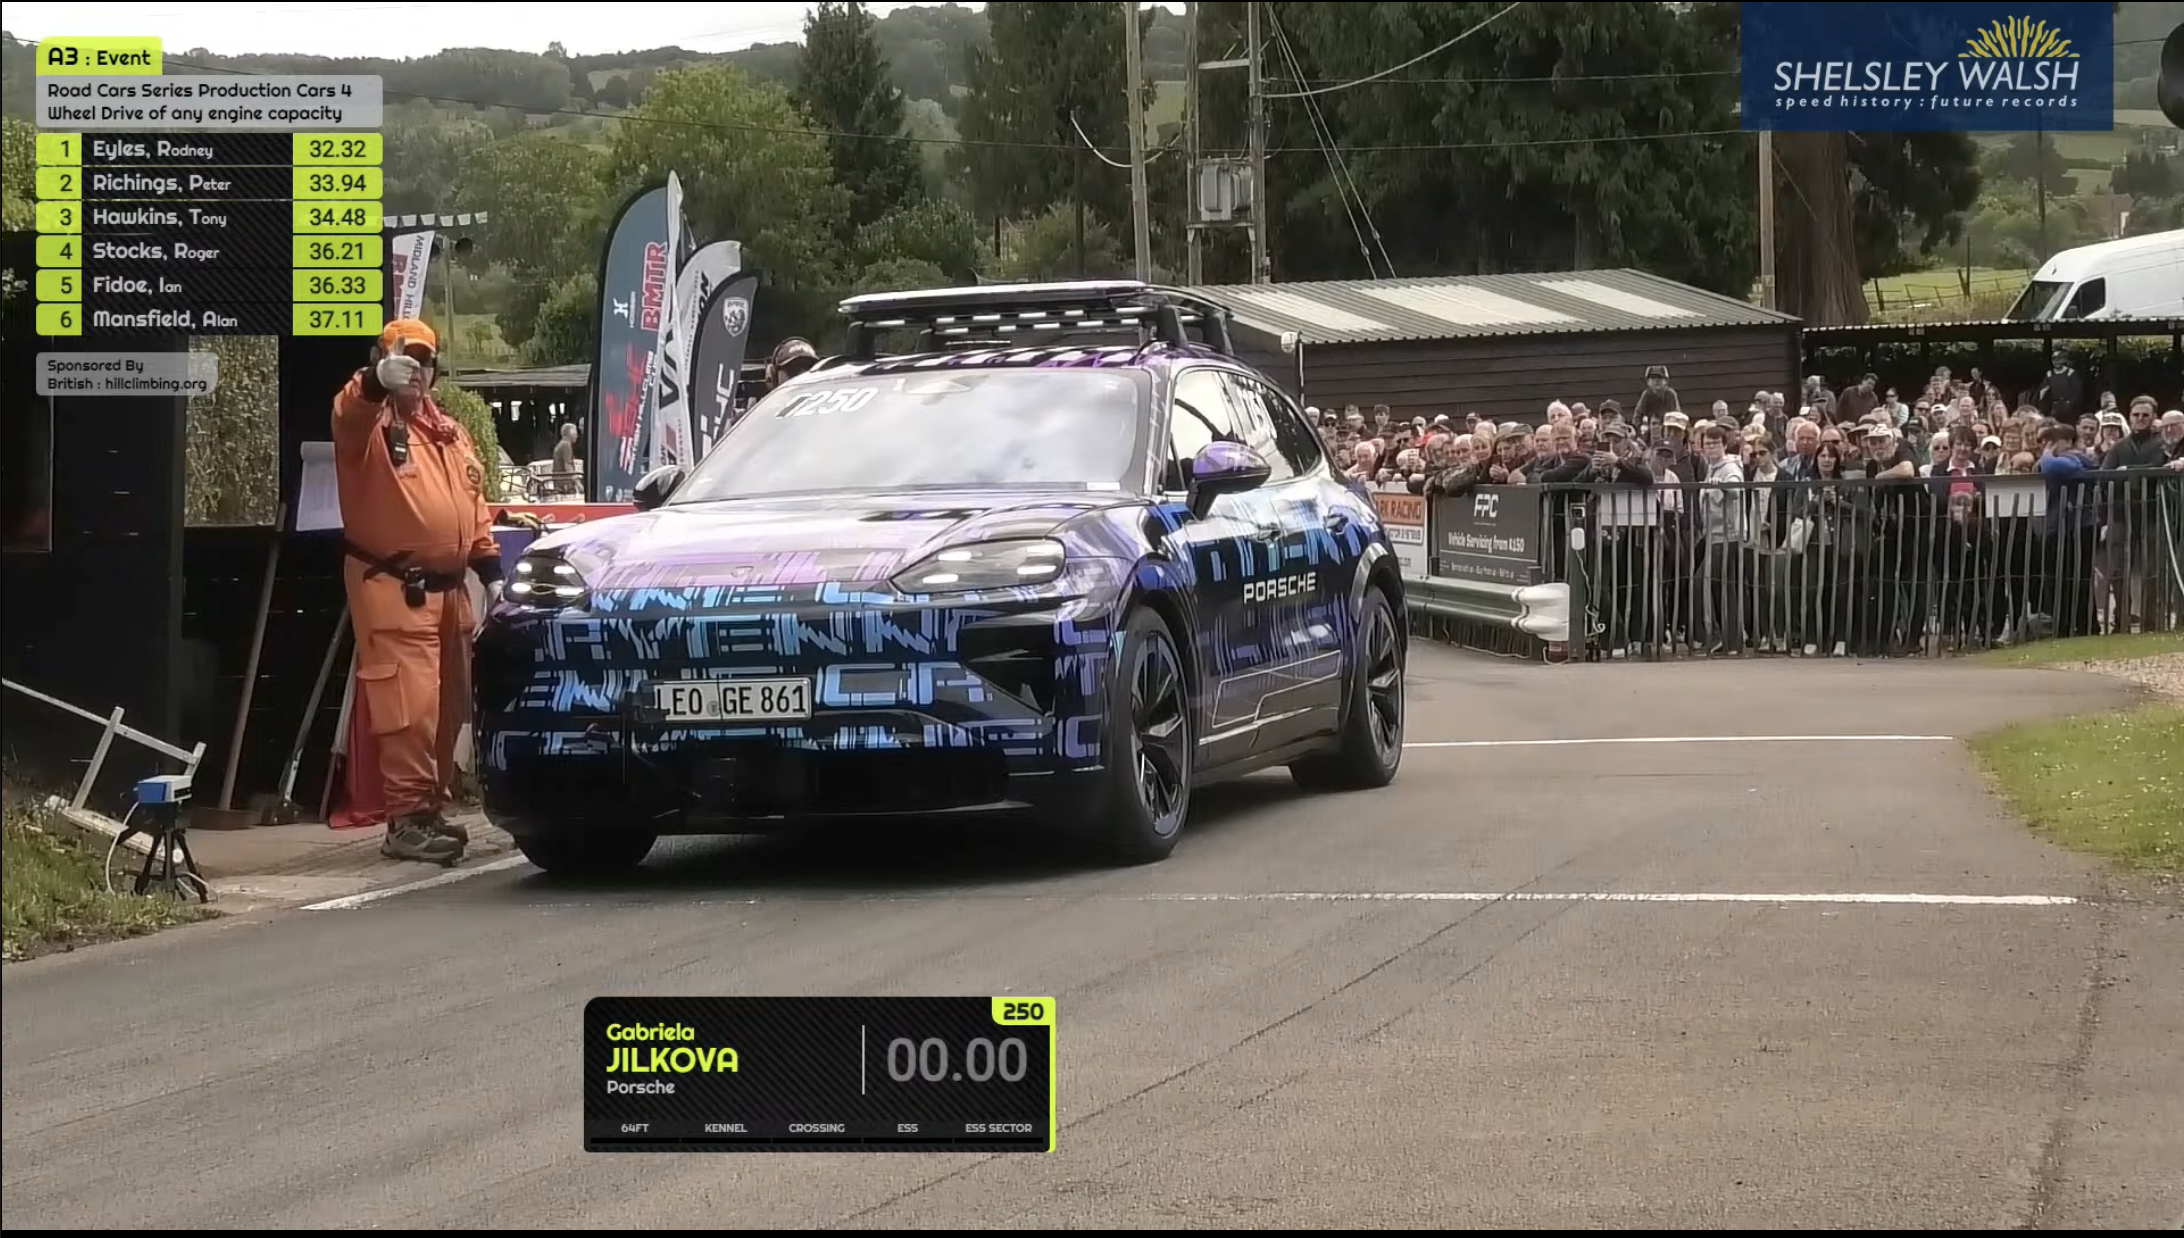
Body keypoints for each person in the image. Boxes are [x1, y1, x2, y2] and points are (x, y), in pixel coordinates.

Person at [333, 319, 504, 866]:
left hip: (450, 592)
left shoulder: (449, 433)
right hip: (394, 586)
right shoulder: (369, 429)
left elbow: (473, 505)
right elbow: (349, 412)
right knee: (408, 708)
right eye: (405, 358)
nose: (416, 369)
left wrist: (491, 569)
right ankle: (405, 820)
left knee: (446, 708)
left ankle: (426, 810)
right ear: (383, 359)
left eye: (425, 360)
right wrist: (373, 382)